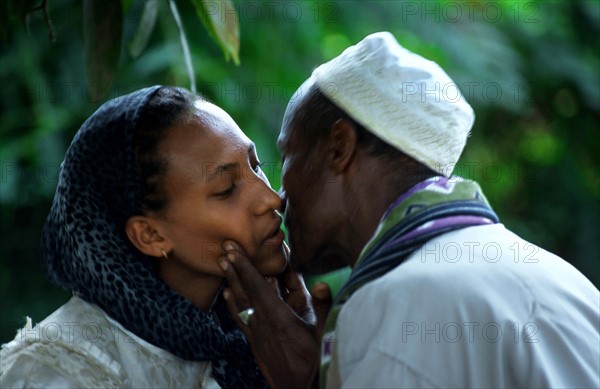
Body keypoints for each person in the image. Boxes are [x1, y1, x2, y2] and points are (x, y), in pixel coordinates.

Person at [218, 31, 600, 388]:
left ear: (339, 147)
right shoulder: (564, 280)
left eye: (288, 156)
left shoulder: (395, 309)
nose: (279, 195)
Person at [0, 86, 289, 388]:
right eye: (227, 190)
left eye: (255, 167)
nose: (271, 198)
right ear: (150, 235)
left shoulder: (239, 336)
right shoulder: (59, 373)